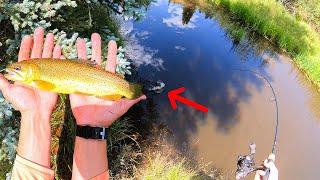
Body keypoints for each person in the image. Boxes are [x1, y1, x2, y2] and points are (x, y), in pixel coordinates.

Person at [0, 27, 146, 179]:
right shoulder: (36, 78)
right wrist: (34, 113)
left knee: (128, 90)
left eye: (17, 68)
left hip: (95, 79)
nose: (13, 71)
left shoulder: (39, 79)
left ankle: (128, 89)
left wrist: (33, 114)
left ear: (33, 69)